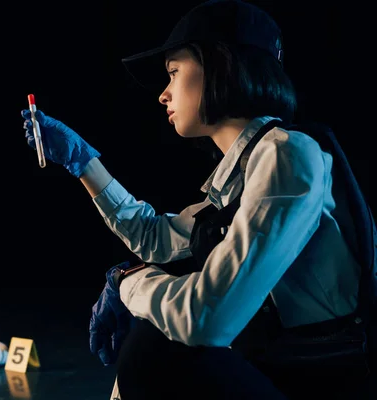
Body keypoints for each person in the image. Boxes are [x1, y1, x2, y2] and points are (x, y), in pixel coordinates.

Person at [21, 0, 373, 398]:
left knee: (155, 346)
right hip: (279, 370)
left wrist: (129, 286)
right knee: (156, 333)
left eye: (173, 72)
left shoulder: (286, 155)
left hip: (319, 384)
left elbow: (206, 318)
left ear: (221, 65)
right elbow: (155, 236)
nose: (163, 94)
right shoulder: (246, 170)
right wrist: (84, 163)